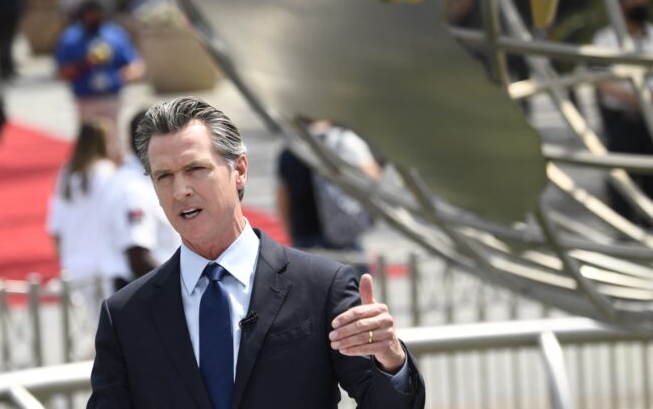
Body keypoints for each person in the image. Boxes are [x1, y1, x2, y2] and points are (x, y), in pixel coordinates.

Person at [87, 97, 425, 408]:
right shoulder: (126, 316)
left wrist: (390, 357)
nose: (181, 190)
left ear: (240, 170)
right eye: (164, 176)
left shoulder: (321, 287)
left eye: (195, 169)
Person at [277, 117, 380, 274]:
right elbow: (372, 179)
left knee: (310, 290)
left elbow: (283, 196)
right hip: (342, 232)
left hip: (304, 234)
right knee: (355, 288)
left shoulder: (290, 150)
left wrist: (291, 231)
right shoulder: (344, 141)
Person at [98, 110, 181, 293]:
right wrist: (177, 292)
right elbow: (138, 257)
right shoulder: (133, 189)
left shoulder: (140, 179)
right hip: (144, 294)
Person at [55, 0, 144, 163]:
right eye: (90, 15)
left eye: (97, 15)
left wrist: (120, 76)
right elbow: (62, 72)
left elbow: (135, 65)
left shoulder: (115, 34)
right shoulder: (71, 38)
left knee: (117, 145)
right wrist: (86, 63)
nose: (93, 18)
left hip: (111, 97)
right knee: (91, 147)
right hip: (86, 99)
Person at [593, 0, 653, 226]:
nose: (640, 2)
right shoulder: (605, 40)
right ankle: (623, 233)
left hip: (649, 124)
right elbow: (600, 81)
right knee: (621, 183)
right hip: (622, 123)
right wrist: (635, 96)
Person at [46, 120, 115, 311]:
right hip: (103, 259)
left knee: (96, 320)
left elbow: (55, 222)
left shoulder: (67, 173)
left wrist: (62, 257)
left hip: (76, 260)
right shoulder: (105, 171)